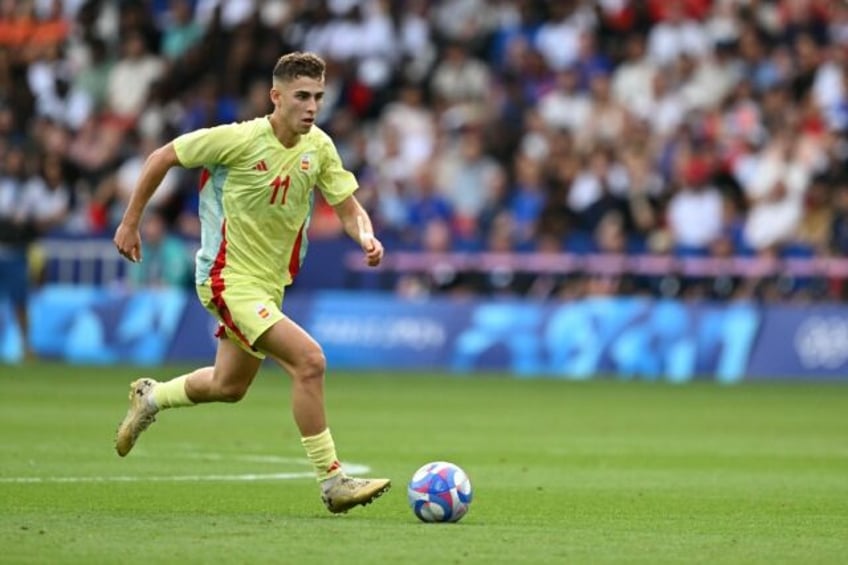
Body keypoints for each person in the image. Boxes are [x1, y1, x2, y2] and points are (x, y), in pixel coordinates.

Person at [112, 52, 390, 513]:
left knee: (229, 385)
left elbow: (347, 206)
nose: (312, 106)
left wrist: (366, 234)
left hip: (268, 286)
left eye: (318, 97)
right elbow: (162, 157)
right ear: (275, 97)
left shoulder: (319, 148)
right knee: (309, 361)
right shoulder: (237, 139)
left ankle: (151, 396)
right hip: (226, 277)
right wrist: (131, 222)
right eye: (302, 96)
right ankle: (332, 480)